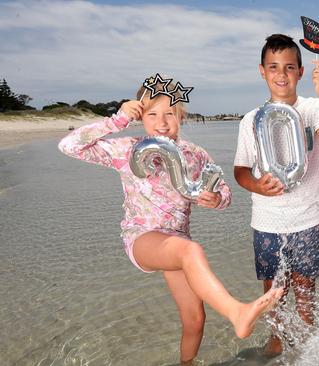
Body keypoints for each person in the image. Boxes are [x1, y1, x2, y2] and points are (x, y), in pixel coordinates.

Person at [58, 85, 282, 365]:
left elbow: (224, 192)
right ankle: (237, 312)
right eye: (152, 114)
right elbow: (68, 145)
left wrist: (215, 198)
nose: (162, 122)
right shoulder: (127, 148)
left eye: (170, 114)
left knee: (195, 318)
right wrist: (118, 120)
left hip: (176, 241)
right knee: (191, 251)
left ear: (182, 116)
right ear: (141, 116)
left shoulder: (194, 155)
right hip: (142, 238)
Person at [233, 34, 319, 355]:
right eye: (274, 67)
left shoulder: (312, 108)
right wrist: (256, 185)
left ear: (300, 71)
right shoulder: (252, 120)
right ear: (262, 71)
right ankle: (277, 341)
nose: (281, 74)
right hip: (267, 221)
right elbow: (240, 171)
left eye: (289, 67)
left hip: (308, 220)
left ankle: (307, 344)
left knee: (306, 291)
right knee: (273, 292)